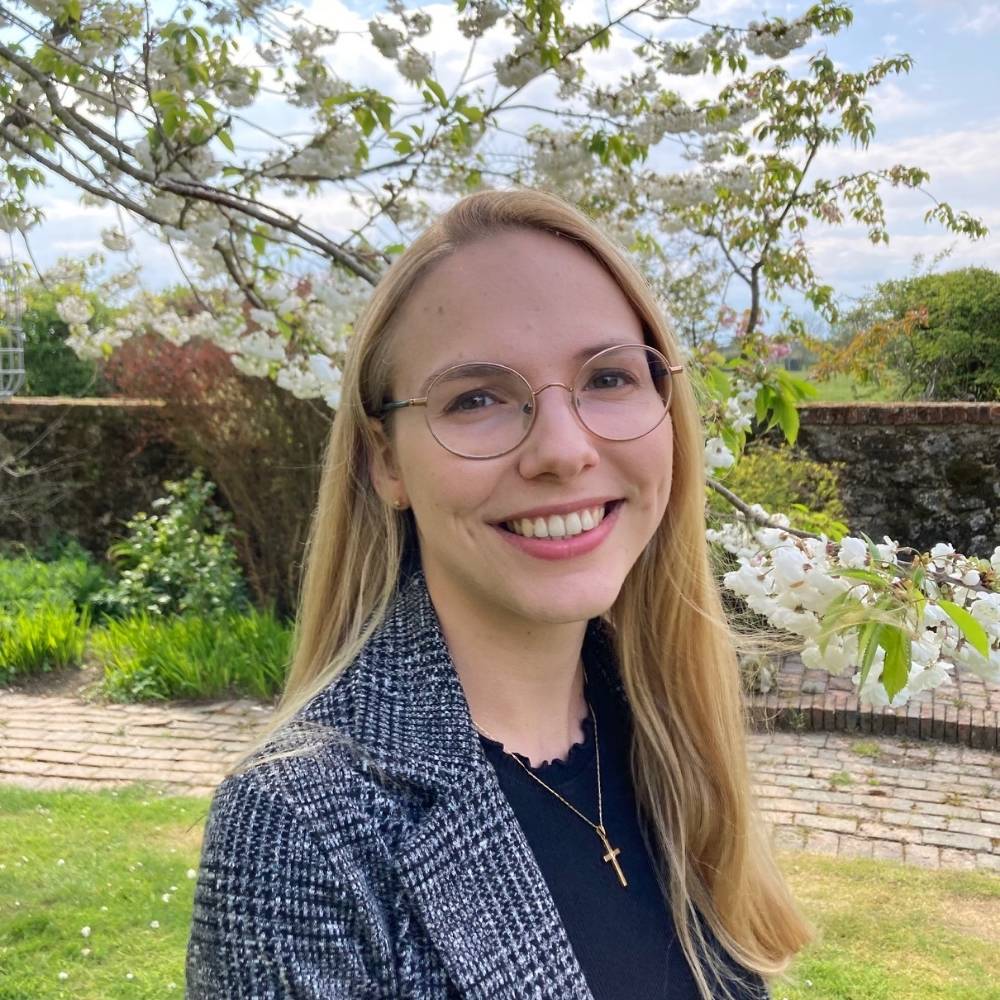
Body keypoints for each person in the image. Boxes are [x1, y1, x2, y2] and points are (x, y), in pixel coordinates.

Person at [185, 188, 811, 999]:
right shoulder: (301, 829)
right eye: (475, 398)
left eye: (610, 377)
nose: (561, 449)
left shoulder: (667, 724)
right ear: (387, 462)